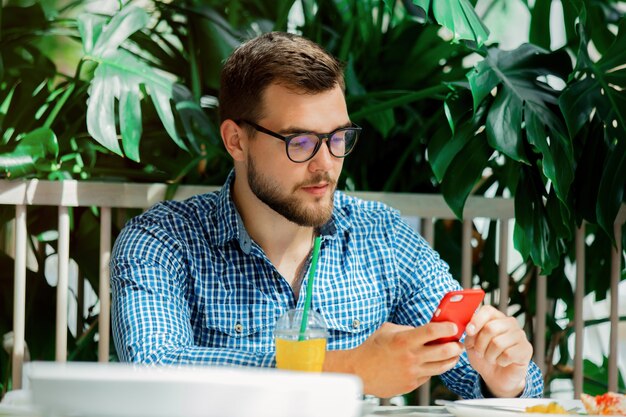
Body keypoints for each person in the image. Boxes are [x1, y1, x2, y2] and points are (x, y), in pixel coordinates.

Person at [110, 31, 543, 399]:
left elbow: (494, 378)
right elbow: (154, 369)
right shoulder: (162, 240)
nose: (326, 165)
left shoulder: (381, 236)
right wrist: (346, 367)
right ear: (236, 141)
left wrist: (505, 378)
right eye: (299, 142)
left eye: (338, 137)